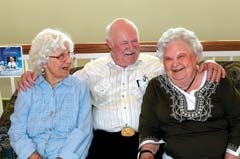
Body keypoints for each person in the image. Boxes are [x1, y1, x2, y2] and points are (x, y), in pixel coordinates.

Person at [17, 18, 226, 159]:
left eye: (135, 41)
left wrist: (207, 65)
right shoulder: (92, 71)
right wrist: (33, 73)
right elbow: (60, 78)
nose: (131, 47)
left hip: (146, 140)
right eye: (124, 43)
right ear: (109, 44)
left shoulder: (155, 65)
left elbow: (183, 68)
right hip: (105, 142)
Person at [138, 27, 240, 159]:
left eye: (181, 56)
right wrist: (147, 152)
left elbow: (238, 119)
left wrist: (232, 155)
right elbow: (149, 127)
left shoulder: (217, 79)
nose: (175, 64)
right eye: (168, 59)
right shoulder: (155, 87)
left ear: (195, 56)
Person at [8, 28, 93, 159]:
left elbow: (83, 131)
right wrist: (33, 156)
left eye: (69, 54)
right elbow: (17, 130)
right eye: (61, 56)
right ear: (44, 60)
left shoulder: (80, 87)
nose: (69, 60)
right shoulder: (29, 87)